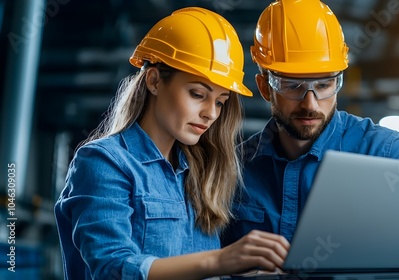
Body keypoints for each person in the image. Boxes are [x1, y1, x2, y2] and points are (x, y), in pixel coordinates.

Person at [220, 0, 399, 279]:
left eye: (323, 85)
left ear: (338, 82)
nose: (310, 103)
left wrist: (387, 267)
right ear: (264, 87)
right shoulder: (234, 169)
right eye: (293, 86)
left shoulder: (385, 152)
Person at [54, 7, 289, 280]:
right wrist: (220, 260)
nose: (211, 113)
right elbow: (113, 269)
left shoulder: (199, 174)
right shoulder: (104, 163)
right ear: (154, 81)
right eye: (198, 94)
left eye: (220, 102)